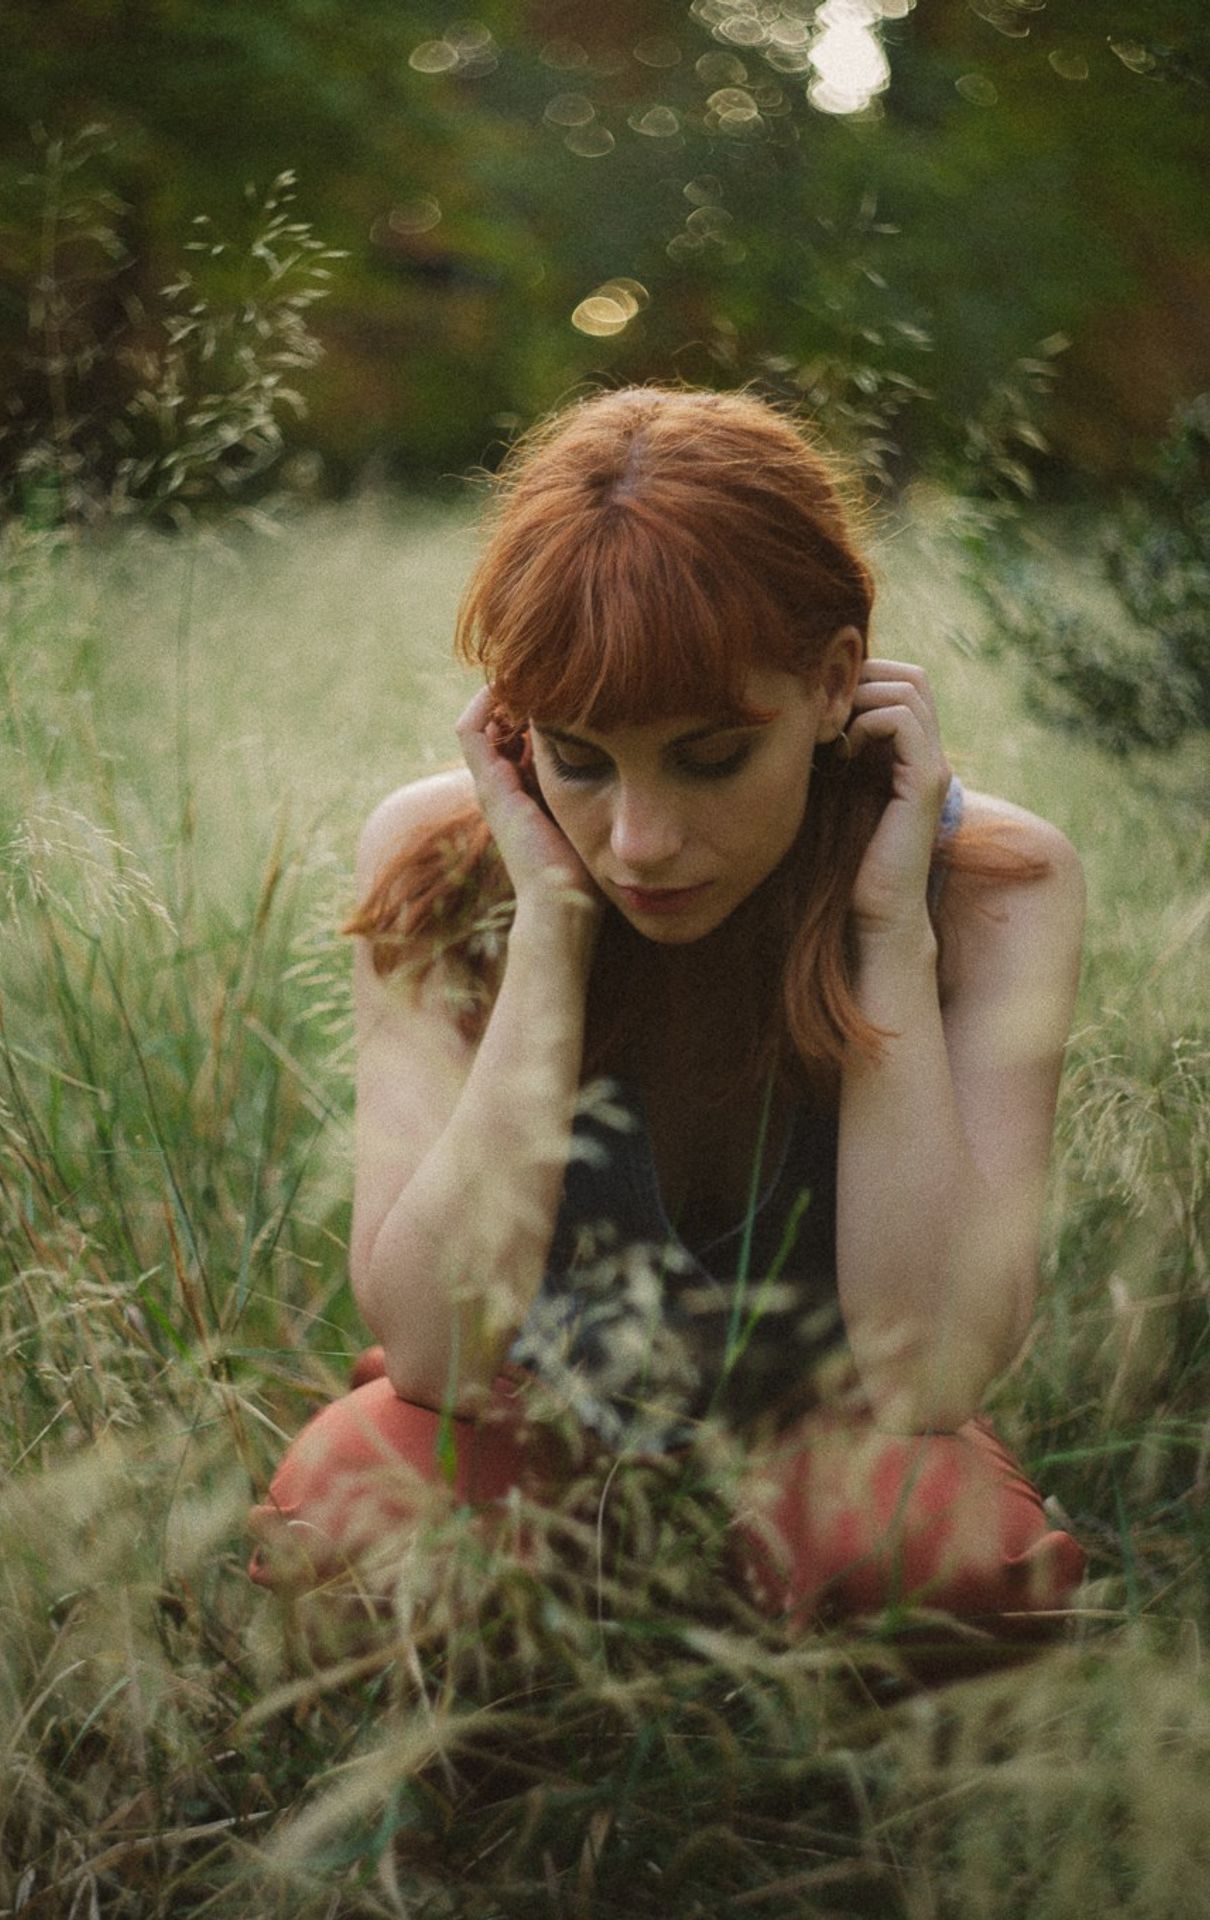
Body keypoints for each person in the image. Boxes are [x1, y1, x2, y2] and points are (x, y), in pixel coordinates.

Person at [249, 386, 1086, 1636]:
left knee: (943, 1571)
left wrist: (885, 936)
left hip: (840, 1447)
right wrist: (547, 925)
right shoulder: (438, 858)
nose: (638, 843)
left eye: (710, 758)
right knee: (348, 1534)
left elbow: (929, 1376)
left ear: (833, 684)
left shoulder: (990, 887)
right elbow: (436, 1357)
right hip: (523, 1434)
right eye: (577, 759)